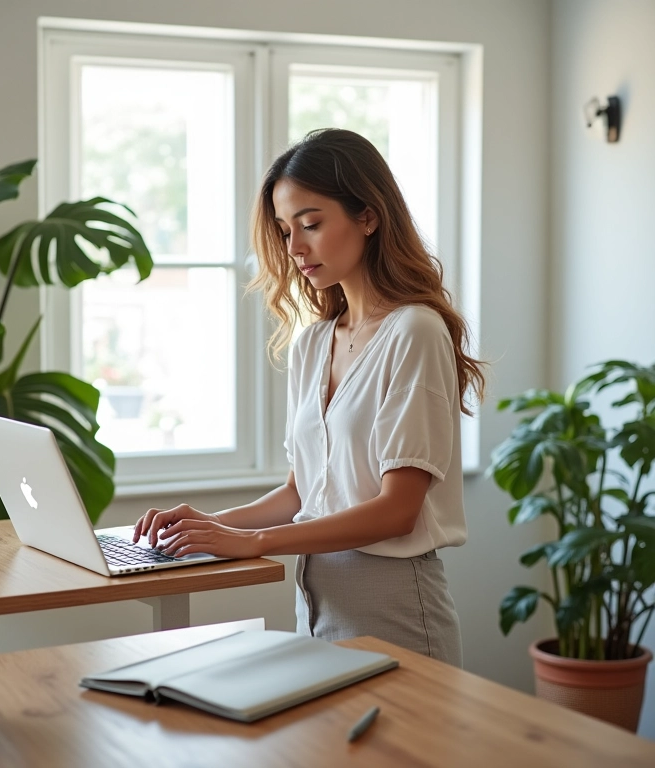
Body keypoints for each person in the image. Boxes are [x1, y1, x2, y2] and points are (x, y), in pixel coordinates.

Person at [133, 128, 486, 667]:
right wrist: (208, 527)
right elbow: (301, 493)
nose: (295, 247)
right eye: (284, 230)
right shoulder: (314, 342)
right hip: (315, 602)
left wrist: (254, 543)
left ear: (368, 216)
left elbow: (398, 510)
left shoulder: (415, 330)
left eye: (311, 224)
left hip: (396, 610)